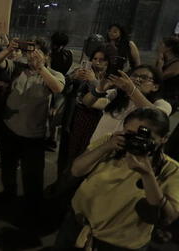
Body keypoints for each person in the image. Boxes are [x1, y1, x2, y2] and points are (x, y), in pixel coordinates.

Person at [55, 108, 179, 250]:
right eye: (130, 135)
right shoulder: (111, 142)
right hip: (76, 226)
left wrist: (147, 175)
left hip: (117, 244)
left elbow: (168, 217)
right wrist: (105, 147)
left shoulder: (171, 169)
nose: (136, 142)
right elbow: (76, 170)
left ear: (164, 138)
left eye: (144, 138)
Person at [0, 38, 65, 215]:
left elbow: (57, 88)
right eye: (30, 51)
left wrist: (40, 67)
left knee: (32, 175)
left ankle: (32, 207)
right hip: (10, 128)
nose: (31, 56)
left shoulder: (54, 74)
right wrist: (9, 49)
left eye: (37, 52)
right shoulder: (18, 67)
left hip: (34, 135)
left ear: (47, 56)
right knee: (8, 167)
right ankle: (8, 193)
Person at [83, 65, 172, 145]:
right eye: (134, 76)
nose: (138, 80)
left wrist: (131, 90)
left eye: (144, 78)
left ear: (155, 87)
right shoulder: (117, 95)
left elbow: (155, 118)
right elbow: (88, 102)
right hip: (96, 147)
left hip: (122, 157)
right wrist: (100, 89)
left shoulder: (162, 104)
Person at [64, 48, 109, 167]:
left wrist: (93, 80)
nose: (97, 62)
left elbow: (106, 95)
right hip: (78, 116)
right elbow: (64, 87)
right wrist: (74, 77)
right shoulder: (81, 71)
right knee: (72, 150)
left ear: (107, 62)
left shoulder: (108, 78)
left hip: (96, 118)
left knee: (88, 150)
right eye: (95, 59)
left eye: (102, 60)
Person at [156, 37, 179, 112]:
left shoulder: (177, 63)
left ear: (169, 48)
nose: (159, 46)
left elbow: (159, 78)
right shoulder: (164, 60)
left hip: (169, 99)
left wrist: (159, 64)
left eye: (161, 44)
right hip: (159, 94)